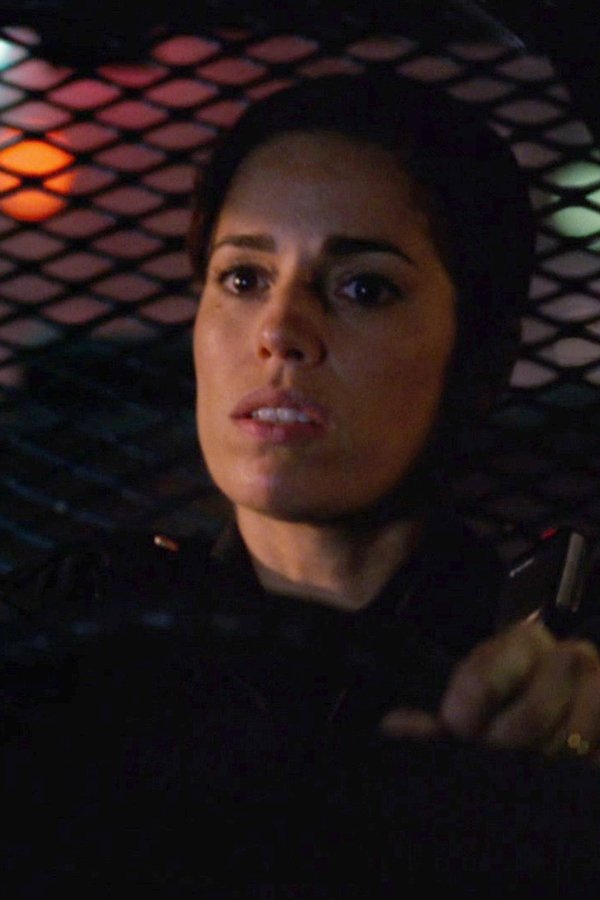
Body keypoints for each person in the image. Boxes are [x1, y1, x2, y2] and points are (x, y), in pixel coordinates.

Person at [2, 72, 600, 897]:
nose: (280, 330)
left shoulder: (546, 662)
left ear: (481, 359)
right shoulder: (67, 634)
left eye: (364, 288)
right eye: (243, 279)